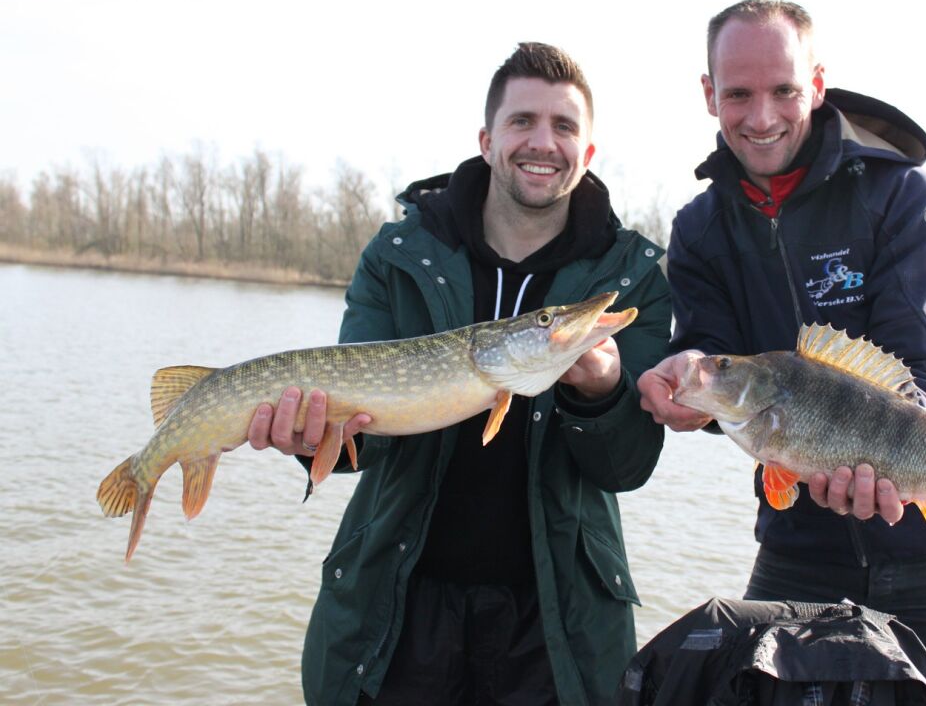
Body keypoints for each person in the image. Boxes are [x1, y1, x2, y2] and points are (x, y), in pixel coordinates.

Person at [247, 42, 671, 706]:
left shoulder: (631, 276)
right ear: (487, 140)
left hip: (554, 623)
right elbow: (363, 442)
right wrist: (312, 438)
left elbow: (628, 467)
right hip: (400, 607)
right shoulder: (399, 255)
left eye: (563, 126)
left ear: (587, 152)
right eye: (522, 121)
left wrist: (601, 395)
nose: (543, 142)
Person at [636, 0, 926, 704]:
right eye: (739, 94)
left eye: (784, 90)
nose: (761, 116)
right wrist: (685, 379)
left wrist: (886, 461)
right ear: (709, 95)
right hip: (802, 547)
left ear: (817, 84)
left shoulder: (903, 195)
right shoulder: (699, 229)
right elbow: (711, 354)